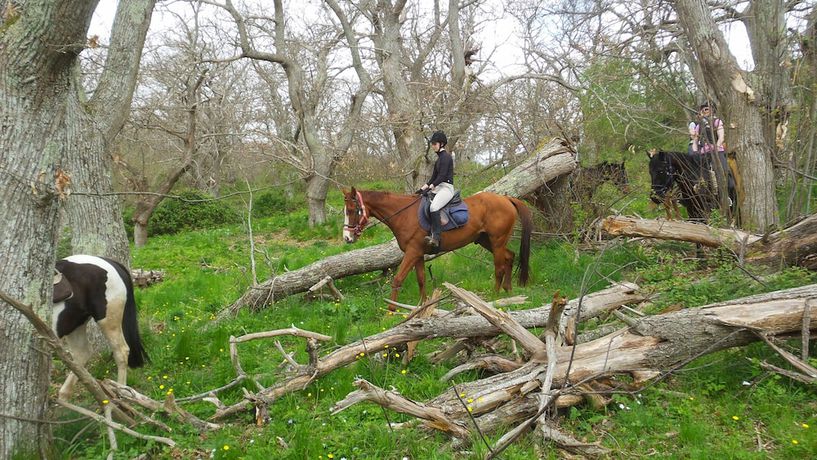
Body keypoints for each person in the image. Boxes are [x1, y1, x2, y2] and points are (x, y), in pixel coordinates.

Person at [417, 131, 455, 250]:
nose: (432, 145)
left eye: (434, 143)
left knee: (434, 207)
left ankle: (437, 238)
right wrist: (422, 189)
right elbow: (433, 178)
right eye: (432, 143)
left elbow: (442, 176)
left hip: (446, 189)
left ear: (441, 144)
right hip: (438, 187)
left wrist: (431, 186)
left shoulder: (446, 157)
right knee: (423, 201)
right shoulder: (438, 160)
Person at [691, 102, 733, 204]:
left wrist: (716, 147)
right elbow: (695, 140)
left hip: (716, 151)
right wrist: (695, 151)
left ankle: (726, 196)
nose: (705, 111)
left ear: (712, 110)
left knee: (724, 171)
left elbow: (721, 136)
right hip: (703, 153)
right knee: (699, 176)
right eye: (703, 109)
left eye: (707, 108)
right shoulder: (699, 126)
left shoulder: (717, 122)